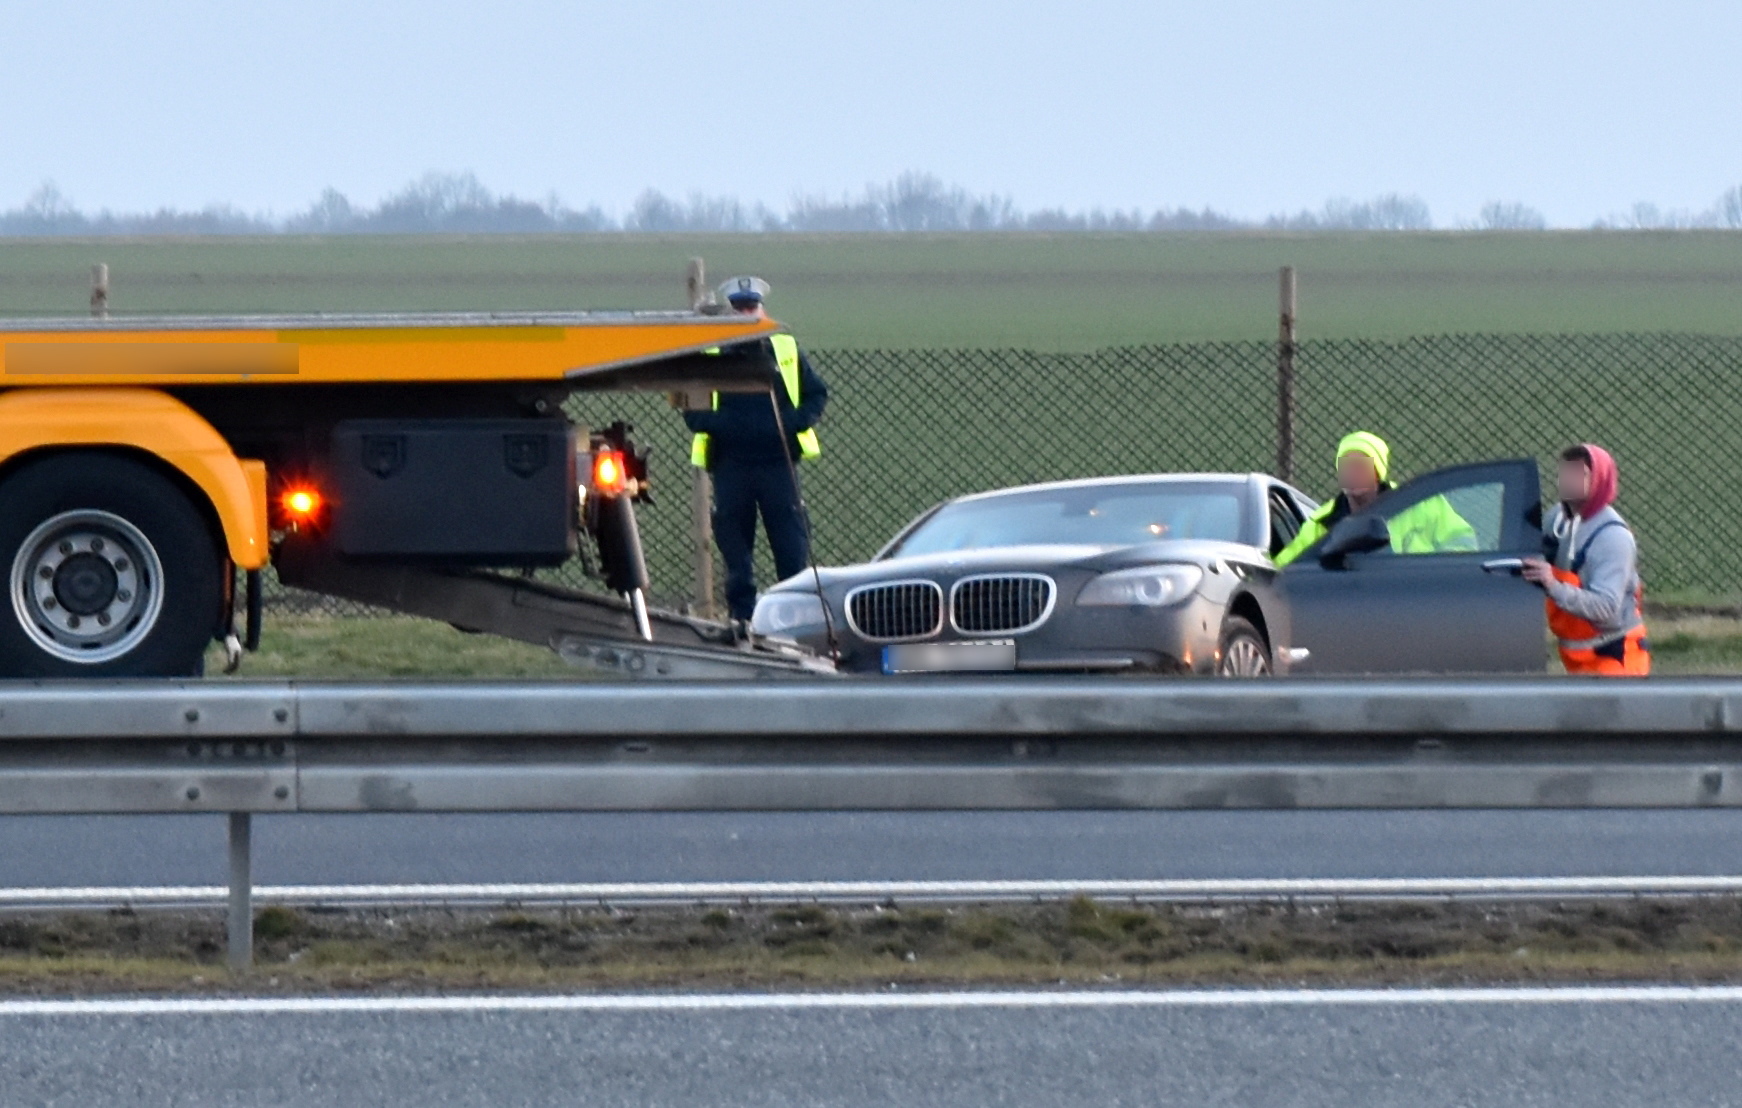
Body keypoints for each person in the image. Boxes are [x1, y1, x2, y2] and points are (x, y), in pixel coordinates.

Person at [684, 276, 829, 620]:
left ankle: (793, 620)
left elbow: (817, 394)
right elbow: (692, 410)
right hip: (730, 467)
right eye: (739, 308)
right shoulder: (712, 352)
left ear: (762, 310)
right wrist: (725, 426)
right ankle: (742, 621)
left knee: (791, 551)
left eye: (752, 307)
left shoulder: (785, 348)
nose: (747, 313)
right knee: (736, 556)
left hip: (779, 466)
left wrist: (791, 423)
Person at [1521, 444, 1650, 676]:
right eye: (1565, 472)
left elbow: (1605, 607)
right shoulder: (1556, 519)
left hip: (1615, 657)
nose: (1567, 480)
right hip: (1578, 659)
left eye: (1579, 474)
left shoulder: (1613, 537)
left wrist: (1553, 585)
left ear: (1599, 480)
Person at [1274, 431, 1477, 567]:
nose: (1352, 474)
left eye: (1361, 466)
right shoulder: (1322, 522)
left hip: (1417, 597)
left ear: (1378, 471)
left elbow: (1463, 544)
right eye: (1346, 466)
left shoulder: (1422, 503)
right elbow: (1285, 567)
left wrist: (1429, 573)